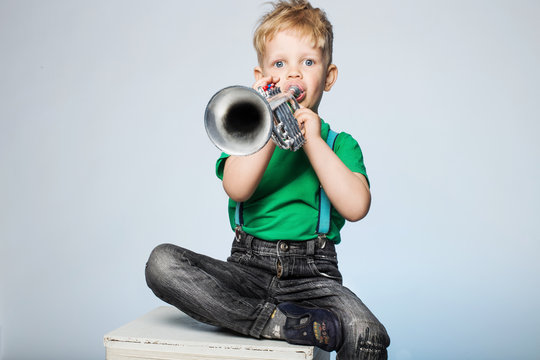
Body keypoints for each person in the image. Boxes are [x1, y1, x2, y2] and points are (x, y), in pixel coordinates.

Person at [145, 1, 390, 358]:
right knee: (161, 264)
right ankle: (278, 324)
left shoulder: (340, 145)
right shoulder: (246, 136)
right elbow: (237, 187)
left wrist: (315, 143)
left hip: (314, 280)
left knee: (367, 333)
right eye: (280, 64)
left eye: (308, 62)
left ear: (329, 76)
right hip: (247, 270)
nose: (293, 75)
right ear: (261, 75)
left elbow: (356, 207)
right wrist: (264, 116)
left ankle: (275, 319)